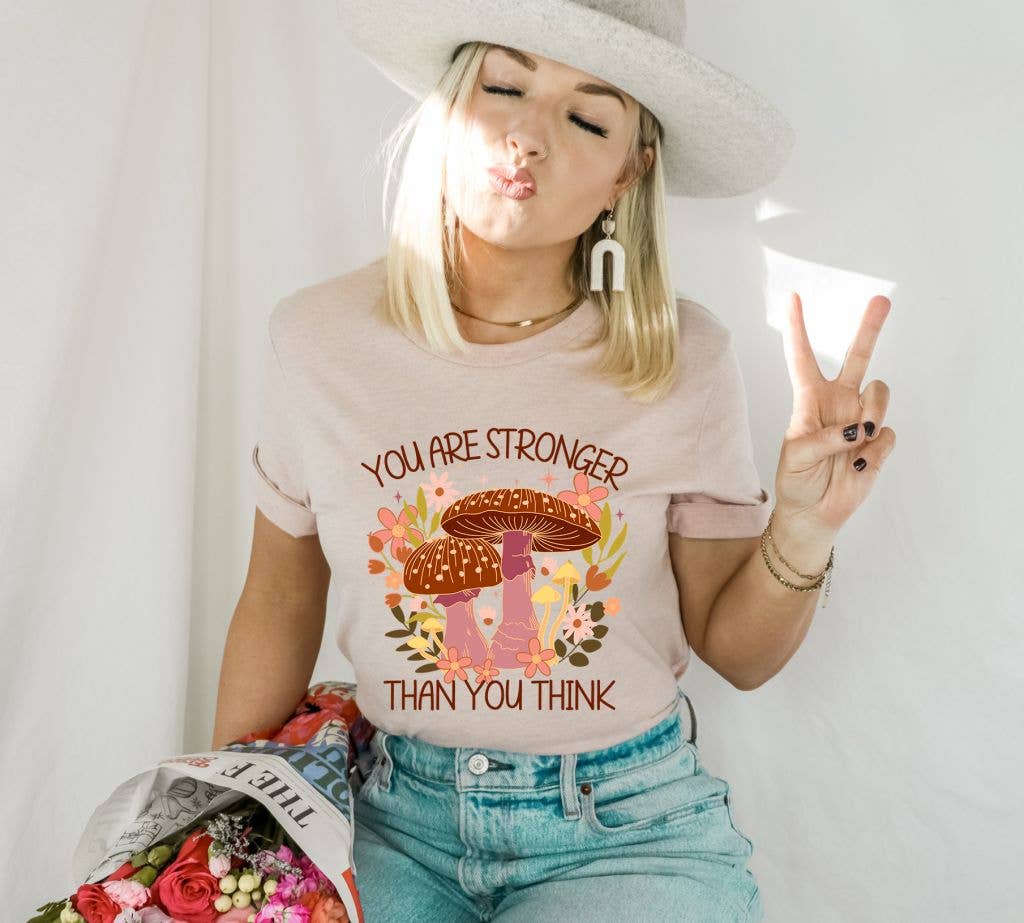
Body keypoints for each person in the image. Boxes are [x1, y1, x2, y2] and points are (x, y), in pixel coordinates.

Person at [214, 3, 896, 920]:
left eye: (586, 117)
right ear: (452, 103)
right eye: (505, 85)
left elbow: (737, 653)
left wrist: (805, 528)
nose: (528, 135)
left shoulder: (682, 357)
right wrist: (226, 820)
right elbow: (279, 598)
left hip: (628, 827)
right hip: (388, 818)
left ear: (629, 171)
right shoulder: (318, 339)